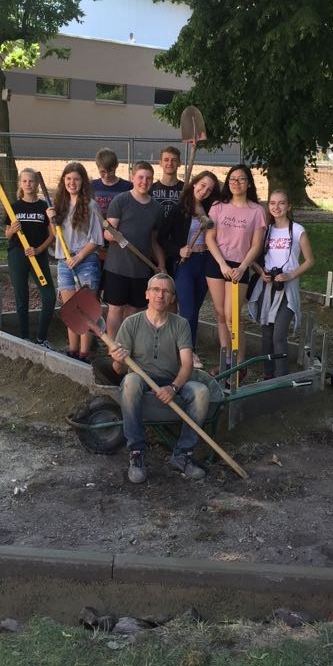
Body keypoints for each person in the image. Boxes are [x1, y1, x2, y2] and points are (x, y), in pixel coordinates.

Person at [109, 273, 209, 483]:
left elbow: (187, 364)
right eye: (155, 290)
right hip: (141, 381)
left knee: (201, 392)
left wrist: (173, 388)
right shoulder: (131, 324)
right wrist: (118, 359)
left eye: (166, 291)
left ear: (172, 298)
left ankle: (182, 455)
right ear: (147, 294)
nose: (160, 295)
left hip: (172, 381)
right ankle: (136, 453)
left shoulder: (180, 324)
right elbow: (118, 369)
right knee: (130, 381)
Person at [205, 164, 266, 376]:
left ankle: (240, 363)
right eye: (232, 179)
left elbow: (257, 245)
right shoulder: (217, 207)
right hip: (217, 264)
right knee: (220, 314)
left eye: (241, 179)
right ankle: (227, 360)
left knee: (232, 316)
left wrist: (241, 267)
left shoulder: (257, 211)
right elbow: (209, 238)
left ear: (249, 183)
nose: (236, 183)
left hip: (239, 266)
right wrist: (221, 264)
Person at [247, 190, 315, 379]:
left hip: (287, 289)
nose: (276, 207)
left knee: (279, 335)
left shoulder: (298, 230)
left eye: (281, 203)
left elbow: (309, 261)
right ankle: (268, 375)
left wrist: (289, 275)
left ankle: (281, 376)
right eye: (272, 203)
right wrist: (262, 273)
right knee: (266, 335)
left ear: (289, 206)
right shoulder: (265, 230)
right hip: (267, 288)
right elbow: (251, 256)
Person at [158, 170, 220, 369]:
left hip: (206, 262)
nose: (204, 191)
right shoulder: (180, 209)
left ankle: (182, 346)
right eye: (202, 186)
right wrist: (178, 250)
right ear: (194, 184)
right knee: (188, 312)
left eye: (209, 189)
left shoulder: (212, 210)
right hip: (186, 264)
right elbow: (161, 238)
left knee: (196, 309)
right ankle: (189, 352)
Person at [47, 162, 104, 361]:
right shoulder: (59, 204)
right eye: (69, 179)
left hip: (85, 261)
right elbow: (56, 235)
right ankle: (72, 351)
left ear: (83, 182)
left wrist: (78, 257)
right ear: (64, 181)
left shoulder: (90, 205)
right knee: (71, 310)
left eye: (76, 179)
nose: (72, 183)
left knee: (86, 310)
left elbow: (96, 239)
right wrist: (51, 219)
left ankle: (84, 354)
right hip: (64, 262)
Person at [103, 161, 166, 340]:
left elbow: (153, 241)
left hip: (141, 270)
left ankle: (126, 345)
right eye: (140, 177)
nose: (144, 181)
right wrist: (116, 235)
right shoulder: (121, 201)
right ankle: (113, 347)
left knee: (134, 311)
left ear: (152, 181)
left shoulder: (156, 208)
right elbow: (108, 233)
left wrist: (160, 265)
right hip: (117, 267)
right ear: (133, 178)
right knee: (115, 309)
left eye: (148, 178)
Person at [4, 168, 57, 347]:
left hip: (38, 255)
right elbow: (7, 235)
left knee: (49, 296)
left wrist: (38, 250)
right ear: (20, 184)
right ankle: (24, 337)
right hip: (17, 255)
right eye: (25, 181)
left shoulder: (44, 207)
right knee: (21, 296)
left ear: (36, 184)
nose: (28, 184)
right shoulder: (14, 207)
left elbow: (52, 235)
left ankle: (41, 338)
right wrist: (12, 230)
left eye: (31, 181)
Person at [91, 147, 132, 297]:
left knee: (113, 286)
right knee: (95, 285)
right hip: (96, 242)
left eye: (110, 171)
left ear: (116, 166)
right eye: (102, 171)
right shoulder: (92, 186)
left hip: (118, 242)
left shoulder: (127, 187)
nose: (107, 175)